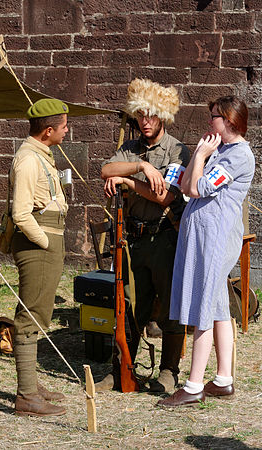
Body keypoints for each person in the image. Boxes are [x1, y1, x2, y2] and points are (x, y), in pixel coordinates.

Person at [157, 96, 255, 407]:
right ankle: (223, 378)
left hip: (216, 238)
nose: (209, 122)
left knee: (203, 306)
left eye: (214, 117)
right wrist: (199, 159)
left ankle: (194, 384)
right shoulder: (221, 150)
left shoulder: (238, 155)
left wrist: (199, 154)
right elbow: (186, 186)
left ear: (229, 120)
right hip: (202, 236)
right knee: (216, 306)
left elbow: (199, 188)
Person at [98, 78, 190, 393]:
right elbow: (105, 170)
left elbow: (165, 196)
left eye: (151, 115)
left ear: (162, 116)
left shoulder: (177, 150)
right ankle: (120, 367)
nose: (145, 122)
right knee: (128, 305)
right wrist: (139, 166)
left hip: (164, 238)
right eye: (140, 115)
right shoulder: (130, 148)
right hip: (133, 238)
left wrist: (129, 182)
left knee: (169, 306)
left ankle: (169, 371)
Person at [10, 98, 69, 416]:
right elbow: (21, 213)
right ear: (48, 131)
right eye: (63, 127)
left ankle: (30, 383)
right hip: (38, 245)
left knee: (39, 312)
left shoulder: (40, 155)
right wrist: (44, 242)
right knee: (30, 316)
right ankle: (27, 396)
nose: (66, 131)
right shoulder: (29, 160)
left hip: (47, 241)